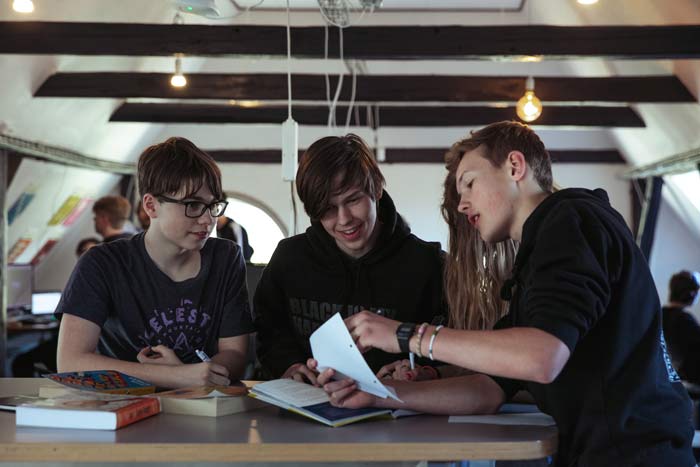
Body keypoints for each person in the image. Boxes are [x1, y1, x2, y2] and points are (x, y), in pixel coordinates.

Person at [319, 121, 695, 467]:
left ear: (515, 167)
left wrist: (407, 335)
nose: (462, 203)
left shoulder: (572, 221)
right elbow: (489, 389)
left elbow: (541, 357)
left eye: (469, 183)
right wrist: (382, 393)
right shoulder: (537, 264)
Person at [55, 137, 254, 388]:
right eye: (193, 205)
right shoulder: (102, 263)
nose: (207, 220)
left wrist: (195, 375)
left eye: (212, 205)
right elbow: (70, 362)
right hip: (120, 404)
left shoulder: (226, 257)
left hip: (200, 403)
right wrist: (180, 376)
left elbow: (235, 353)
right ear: (151, 206)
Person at [254, 133, 445, 383]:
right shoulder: (289, 258)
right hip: (307, 398)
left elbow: (451, 348)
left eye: (353, 200)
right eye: (328, 209)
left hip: (396, 401)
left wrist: (421, 371)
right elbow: (268, 331)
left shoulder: (428, 264)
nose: (344, 219)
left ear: (377, 188)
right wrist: (289, 366)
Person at [663, 270, 700, 385]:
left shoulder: (658, 315)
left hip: (662, 380)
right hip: (686, 385)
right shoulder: (685, 321)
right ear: (692, 294)